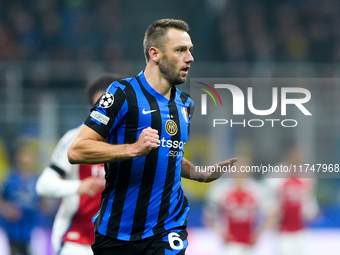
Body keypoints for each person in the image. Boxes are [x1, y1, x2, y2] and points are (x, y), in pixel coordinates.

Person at [67, 18, 237, 255]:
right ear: (155, 53)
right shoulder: (121, 93)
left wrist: (199, 174)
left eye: (190, 50)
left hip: (168, 227)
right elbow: (76, 150)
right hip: (116, 231)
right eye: (180, 50)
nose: (190, 58)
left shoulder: (186, 105)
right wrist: (132, 149)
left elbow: (169, 152)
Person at [35, 74, 122, 255]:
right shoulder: (76, 140)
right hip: (76, 240)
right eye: (98, 105)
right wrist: (79, 186)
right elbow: (43, 185)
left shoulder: (133, 143)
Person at [203, 155, 274, 255]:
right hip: (229, 245)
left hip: (250, 245)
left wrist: (259, 234)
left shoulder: (257, 191)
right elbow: (209, 216)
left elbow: (271, 214)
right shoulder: (221, 190)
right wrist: (220, 231)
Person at [0, 137, 54, 255]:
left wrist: (45, 206)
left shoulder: (37, 180)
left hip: (33, 229)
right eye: (24, 154)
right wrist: (7, 209)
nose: (27, 158)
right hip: (12, 230)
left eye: (30, 155)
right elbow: (2, 201)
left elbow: (45, 204)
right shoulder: (10, 179)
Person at [265, 144, 319, 255]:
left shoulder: (305, 176)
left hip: (301, 230)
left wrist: (312, 212)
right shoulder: (276, 176)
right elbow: (269, 200)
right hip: (282, 232)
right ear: (287, 155)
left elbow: (309, 201)